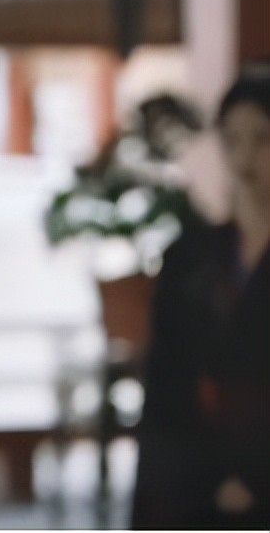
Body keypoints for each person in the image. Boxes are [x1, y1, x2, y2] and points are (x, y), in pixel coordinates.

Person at [132, 66, 270, 529]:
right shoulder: (190, 256)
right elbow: (166, 385)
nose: (245, 159)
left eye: (263, 138)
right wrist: (202, 476)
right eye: (233, 140)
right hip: (194, 483)